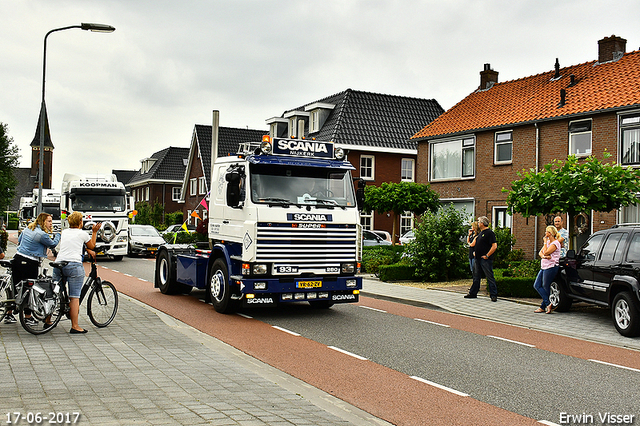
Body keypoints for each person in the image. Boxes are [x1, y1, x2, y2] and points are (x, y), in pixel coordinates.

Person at [9, 213, 61, 325]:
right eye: (49, 221)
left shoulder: (28, 228)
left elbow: (20, 240)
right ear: (43, 222)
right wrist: (58, 235)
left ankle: (9, 313)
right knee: (29, 289)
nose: (51, 224)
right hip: (29, 262)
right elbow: (52, 244)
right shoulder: (42, 234)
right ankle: (28, 317)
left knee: (16, 287)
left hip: (17, 258)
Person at [53, 212, 100, 334]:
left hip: (59, 263)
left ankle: (48, 320)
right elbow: (92, 245)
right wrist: (94, 232)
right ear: (80, 222)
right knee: (74, 297)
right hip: (73, 264)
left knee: (55, 293)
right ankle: (75, 326)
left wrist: (86, 249)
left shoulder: (65, 232)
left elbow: (72, 244)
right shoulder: (82, 233)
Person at [465, 216, 498, 302]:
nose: (478, 223)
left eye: (479, 222)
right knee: (476, 276)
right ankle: (473, 293)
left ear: (482, 223)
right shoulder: (480, 233)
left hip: (485, 259)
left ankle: (493, 295)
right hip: (477, 258)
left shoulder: (489, 233)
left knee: (489, 276)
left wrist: (487, 255)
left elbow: (494, 246)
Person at [533, 225, 561, 314]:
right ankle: (548, 303)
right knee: (537, 285)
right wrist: (545, 256)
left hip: (551, 267)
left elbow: (546, 251)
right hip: (544, 266)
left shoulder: (555, 243)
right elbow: (541, 253)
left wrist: (545, 244)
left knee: (546, 286)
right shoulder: (549, 242)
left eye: (546, 232)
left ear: (550, 233)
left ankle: (544, 306)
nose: (545, 233)